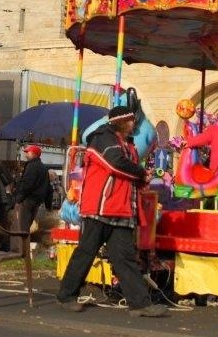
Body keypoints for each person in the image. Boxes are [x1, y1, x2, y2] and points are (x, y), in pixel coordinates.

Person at [57, 105, 167, 318]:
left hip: (121, 209)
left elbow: (128, 171)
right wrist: (142, 173)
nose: (133, 124)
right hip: (100, 207)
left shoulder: (128, 144)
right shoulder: (103, 139)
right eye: (130, 120)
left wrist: (141, 177)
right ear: (120, 121)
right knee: (86, 253)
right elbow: (116, 164)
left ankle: (140, 304)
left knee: (125, 258)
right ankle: (66, 296)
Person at [12, 144, 50, 232]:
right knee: (26, 227)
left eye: (27, 152)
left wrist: (18, 199)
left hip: (27, 200)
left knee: (20, 228)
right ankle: (24, 244)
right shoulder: (44, 168)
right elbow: (48, 187)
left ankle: (19, 246)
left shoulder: (32, 166)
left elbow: (27, 184)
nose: (25, 155)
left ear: (34, 154)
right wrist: (48, 205)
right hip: (36, 202)